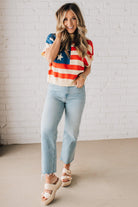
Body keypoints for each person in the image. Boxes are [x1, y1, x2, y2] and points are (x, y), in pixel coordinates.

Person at [40, 2, 94, 205]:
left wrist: (83, 77)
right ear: (60, 20)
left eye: (73, 18)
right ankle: (49, 178)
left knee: (71, 132)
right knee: (46, 130)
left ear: (78, 19)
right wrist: (60, 38)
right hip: (54, 91)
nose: (69, 22)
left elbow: (88, 66)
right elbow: (50, 59)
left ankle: (66, 167)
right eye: (65, 19)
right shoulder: (52, 38)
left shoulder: (86, 43)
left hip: (75, 93)